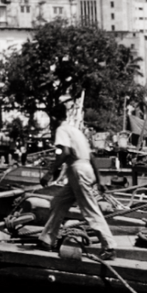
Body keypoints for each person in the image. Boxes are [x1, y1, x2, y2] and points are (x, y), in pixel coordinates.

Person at [36, 107, 116, 260]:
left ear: (53, 118)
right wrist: (98, 180)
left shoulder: (62, 130)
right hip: (83, 170)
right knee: (58, 202)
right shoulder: (77, 131)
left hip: (77, 171)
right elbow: (91, 156)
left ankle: (110, 246)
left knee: (89, 209)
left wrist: (50, 172)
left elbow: (64, 152)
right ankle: (46, 240)